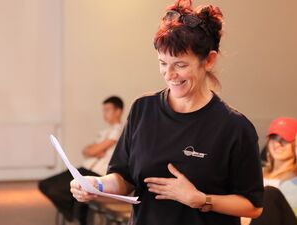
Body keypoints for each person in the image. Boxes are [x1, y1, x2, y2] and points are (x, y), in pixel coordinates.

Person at [70, 1, 264, 225]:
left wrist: (200, 199)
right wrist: (98, 185)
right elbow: (124, 177)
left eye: (180, 65)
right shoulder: (143, 109)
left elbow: (253, 206)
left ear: (209, 60)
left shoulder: (234, 127)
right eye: (163, 63)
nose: (169, 74)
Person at [39, 96, 124, 225]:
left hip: (96, 173)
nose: (105, 113)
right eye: (103, 110)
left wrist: (94, 150)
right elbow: (86, 151)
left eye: (108, 110)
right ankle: (73, 212)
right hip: (86, 168)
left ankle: (74, 214)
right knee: (45, 185)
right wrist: (94, 149)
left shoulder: (119, 130)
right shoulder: (105, 131)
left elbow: (91, 151)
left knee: (56, 189)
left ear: (118, 111)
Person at [246, 117, 297, 225]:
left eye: (284, 139)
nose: (277, 144)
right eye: (273, 138)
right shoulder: (255, 172)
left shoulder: (295, 181)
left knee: (270, 193)